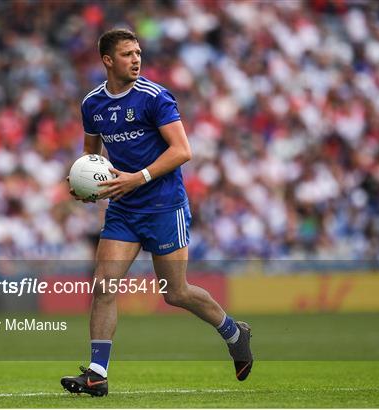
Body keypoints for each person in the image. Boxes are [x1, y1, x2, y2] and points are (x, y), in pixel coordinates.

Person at [60, 28, 253, 397]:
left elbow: (183, 150)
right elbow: (90, 157)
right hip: (124, 208)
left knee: (175, 292)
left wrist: (138, 177)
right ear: (107, 60)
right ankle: (97, 374)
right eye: (128, 54)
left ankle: (233, 332)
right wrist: (85, 184)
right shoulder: (92, 104)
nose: (136, 59)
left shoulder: (154, 96)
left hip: (165, 205)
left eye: (138, 53)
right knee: (103, 285)